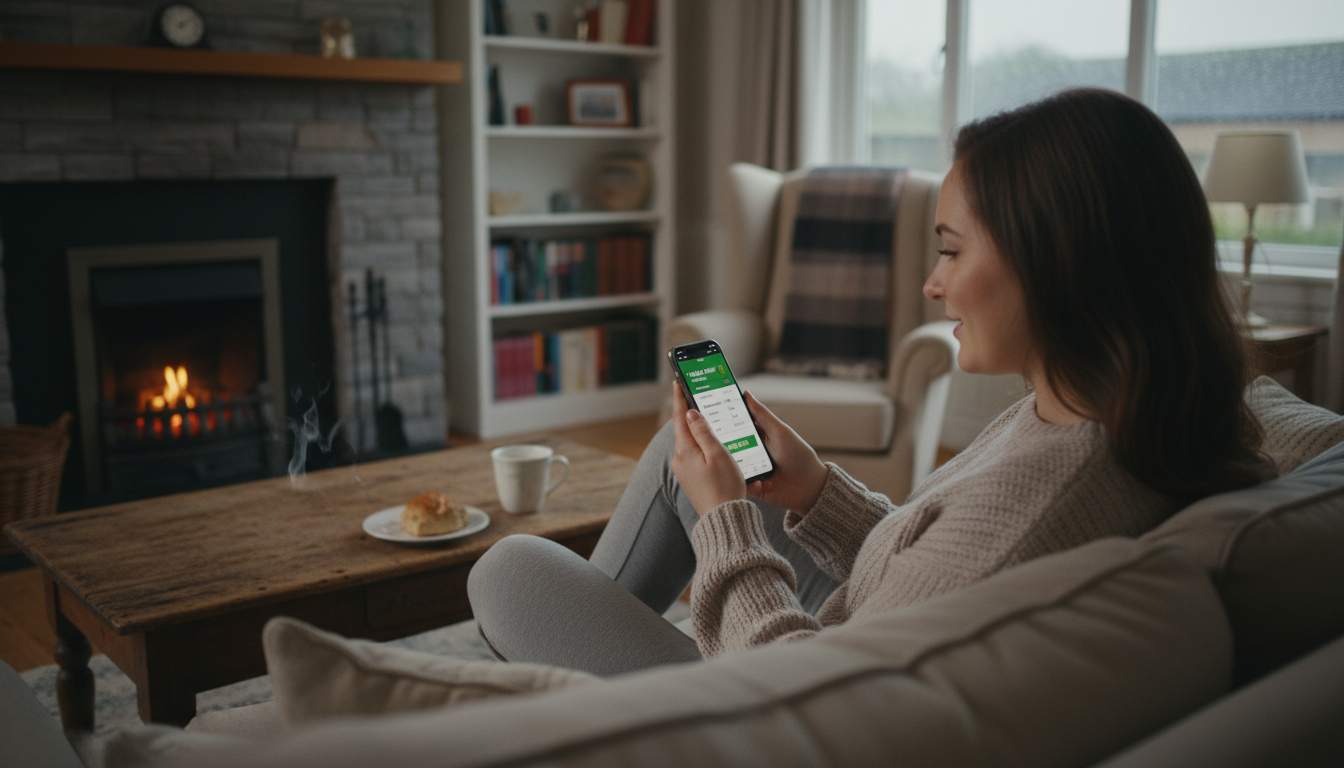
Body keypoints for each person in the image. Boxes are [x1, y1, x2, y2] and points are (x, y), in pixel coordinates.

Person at [466, 88, 1273, 676]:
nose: (931, 283)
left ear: (1056, 262)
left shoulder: (1046, 502)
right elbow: (926, 561)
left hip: (781, 695)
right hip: (857, 630)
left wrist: (726, 522)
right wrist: (817, 489)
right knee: (686, 457)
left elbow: (808, 697)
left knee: (509, 571)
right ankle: (570, 689)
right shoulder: (1087, 412)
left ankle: (560, 708)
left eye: (952, 250)